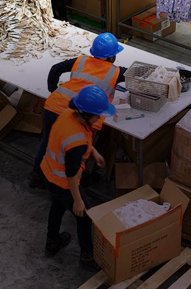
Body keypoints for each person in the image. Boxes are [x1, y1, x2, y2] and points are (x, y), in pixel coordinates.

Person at [30, 32, 126, 188]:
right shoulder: (117, 71)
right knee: (78, 148)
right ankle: (74, 182)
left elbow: (55, 69)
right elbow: (138, 76)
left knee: (49, 142)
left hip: (54, 106)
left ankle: (37, 175)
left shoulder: (81, 60)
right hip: (80, 114)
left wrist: (53, 89)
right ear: (112, 56)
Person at [41, 85, 115, 271]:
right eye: (98, 115)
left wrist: (94, 152)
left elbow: (81, 139)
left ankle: (52, 242)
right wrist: (78, 200)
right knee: (84, 217)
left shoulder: (68, 115)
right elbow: (71, 174)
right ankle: (87, 256)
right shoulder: (76, 142)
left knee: (57, 206)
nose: (99, 118)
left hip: (48, 172)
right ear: (86, 114)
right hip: (63, 182)